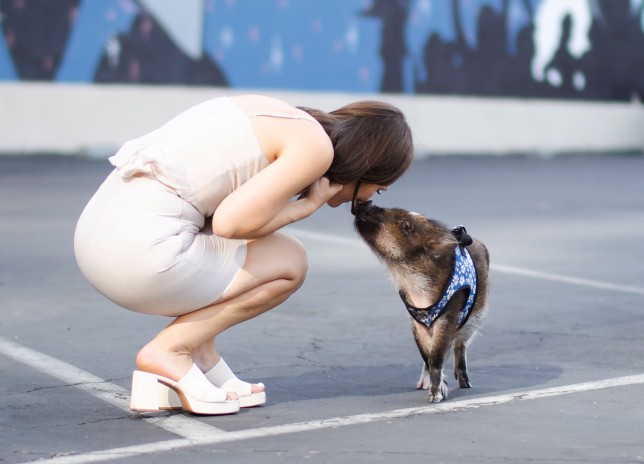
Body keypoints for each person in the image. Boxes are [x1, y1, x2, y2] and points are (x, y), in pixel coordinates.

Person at [74, 94, 414, 415]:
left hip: (99, 237)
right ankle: (170, 352)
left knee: (242, 249)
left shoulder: (284, 117)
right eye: (380, 186)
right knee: (289, 260)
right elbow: (230, 224)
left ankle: (199, 353)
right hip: (137, 254)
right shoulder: (314, 149)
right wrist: (306, 206)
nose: (372, 197)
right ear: (367, 165)